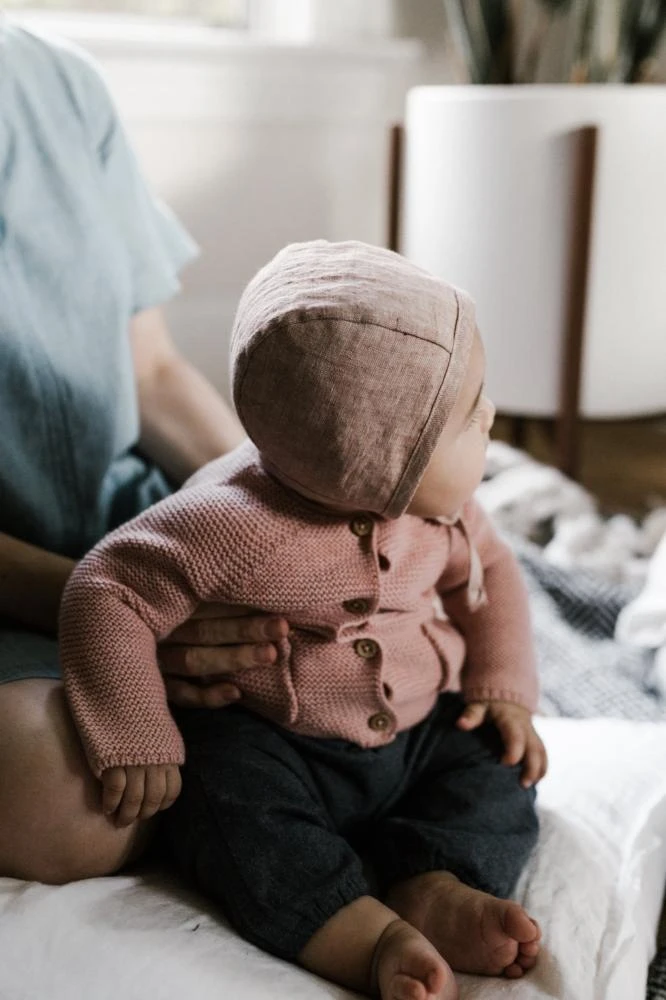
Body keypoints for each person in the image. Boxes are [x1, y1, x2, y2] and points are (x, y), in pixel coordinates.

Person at [59, 240, 548, 1000]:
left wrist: (502, 685)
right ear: (379, 465)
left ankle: (433, 879)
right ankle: (352, 927)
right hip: (277, 741)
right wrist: (136, 731)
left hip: (418, 729)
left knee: (501, 762)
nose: (491, 416)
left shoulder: (445, 515)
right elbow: (106, 588)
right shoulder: (232, 526)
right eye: (468, 416)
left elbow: (492, 575)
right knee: (225, 804)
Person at [0, 18, 287, 884]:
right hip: (27, 595)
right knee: (54, 797)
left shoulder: (57, 81)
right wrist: (118, 623)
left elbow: (153, 373)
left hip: (131, 532)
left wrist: (279, 507)